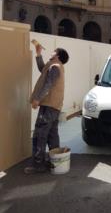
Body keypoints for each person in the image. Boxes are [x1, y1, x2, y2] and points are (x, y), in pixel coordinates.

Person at [24, 44, 69, 174]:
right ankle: (55, 161)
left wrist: (37, 99)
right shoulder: (55, 67)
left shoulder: (55, 67)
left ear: (57, 55)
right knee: (52, 134)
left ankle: (38, 165)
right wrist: (38, 54)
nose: (51, 53)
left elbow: (48, 84)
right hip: (55, 107)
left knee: (39, 134)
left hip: (48, 106)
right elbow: (43, 70)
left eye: (53, 52)